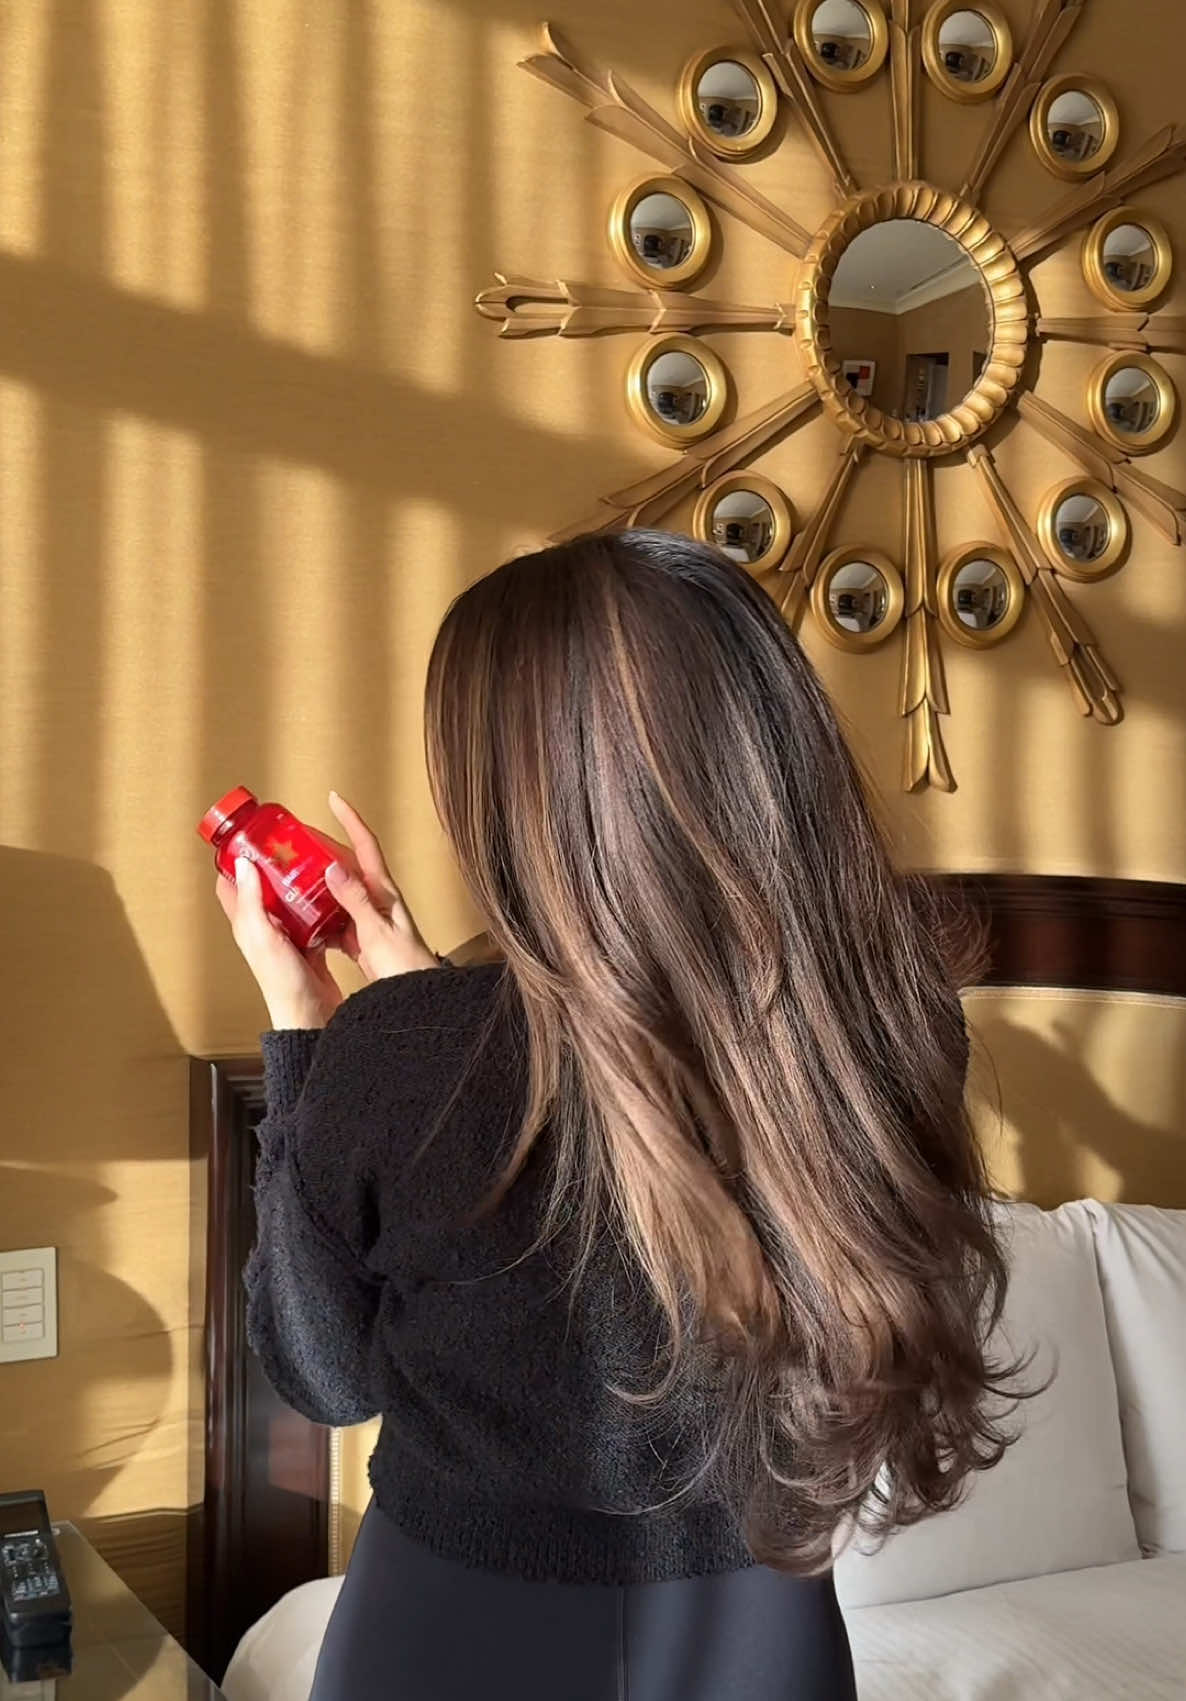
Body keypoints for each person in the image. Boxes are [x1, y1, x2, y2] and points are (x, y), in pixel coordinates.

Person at [217, 530, 1014, 1701]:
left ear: (510, 792)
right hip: (765, 1635)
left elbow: (323, 1380)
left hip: (448, 1631)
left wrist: (312, 1035)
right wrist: (424, 1010)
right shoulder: (886, 1026)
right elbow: (619, 1103)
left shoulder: (400, 1055)